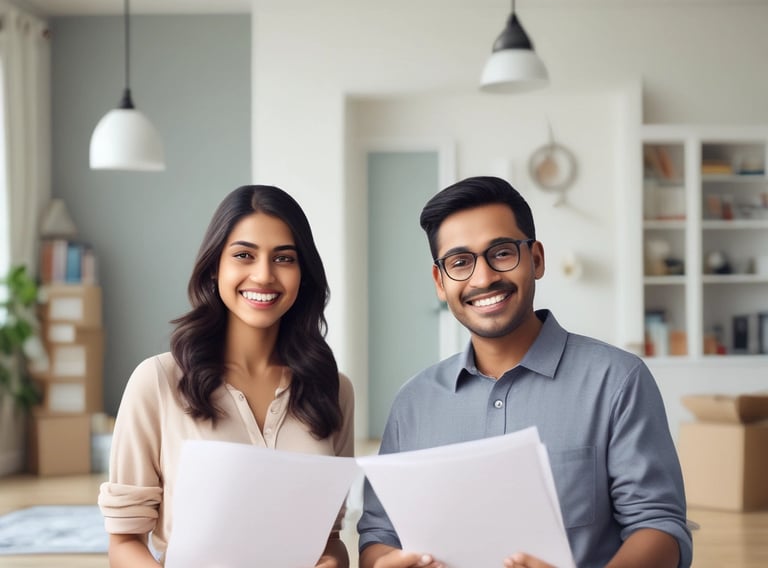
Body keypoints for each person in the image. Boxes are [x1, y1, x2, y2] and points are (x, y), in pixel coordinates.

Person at [357, 176, 692, 568]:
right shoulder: (413, 402)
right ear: (440, 282)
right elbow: (379, 535)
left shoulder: (618, 380)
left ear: (536, 259)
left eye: (501, 253)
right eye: (460, 262)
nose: (483, 279)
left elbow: (659, 527)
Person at [98, 185, 354, 567]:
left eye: (284, 258)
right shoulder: (157, 381)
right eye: (244, 255)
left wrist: (334, 562)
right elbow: (124, 542)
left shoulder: (333, 387)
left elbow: (330, 539)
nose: (264, 275)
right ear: (215, 266)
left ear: (304, 274)